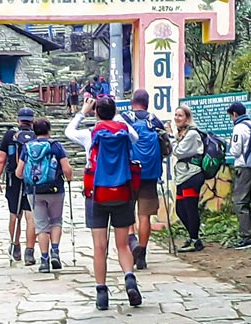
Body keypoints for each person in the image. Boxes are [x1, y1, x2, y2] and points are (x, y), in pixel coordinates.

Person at [65, 96, 142, 310]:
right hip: (123, 193)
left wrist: (83, 112)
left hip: (96, 195)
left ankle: (101, 293)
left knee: (100, 247)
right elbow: (134, 136)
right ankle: (129, 278)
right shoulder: (124, 133)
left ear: (96, 112)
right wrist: (116, 115)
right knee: (123, 244)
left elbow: (68, 132)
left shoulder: (90, 135)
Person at [15, 118, 74, 272]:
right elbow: (66, 169)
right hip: (55, 189)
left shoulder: (27, 148)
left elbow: (19, 173)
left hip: (34, 192)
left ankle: (44, 260)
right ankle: (55, 251)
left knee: (41, 226)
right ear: (49, 130)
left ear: (34, 131)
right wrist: (69, 178)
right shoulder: (56, 146)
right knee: (56, 221)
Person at [122, 89, 166, 270]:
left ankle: (132, 241)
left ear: (133, 101)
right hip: (150, 174)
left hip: (130, 172)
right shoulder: (155, 120)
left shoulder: (125, 118)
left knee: (127, 211)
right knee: (145, 216)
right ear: (147, 103)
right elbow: (165, 145)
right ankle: (143, 252)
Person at [0, 107, 37, 265]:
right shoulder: (37, 135)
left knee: (14, 215)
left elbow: (1, 160)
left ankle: (15, 245)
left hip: (13, 179)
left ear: (18, 120)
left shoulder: (10, 136)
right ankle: (29, 252)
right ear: (32, 121)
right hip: (32, 179)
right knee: (31, 216)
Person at [227, 101, 251, 249]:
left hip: (244, 167)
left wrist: (228, 144)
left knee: (239, 202)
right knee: (245, 201)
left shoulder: (239, 127)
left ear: (234, 114)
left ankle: (248, 237)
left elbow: (235, 151)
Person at [171, 104, 205, 252]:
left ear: (188, 118)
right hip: (183, 176)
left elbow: (178, 151)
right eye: (176, 115)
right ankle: (193, 236)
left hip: (192, 174)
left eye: (180, 115)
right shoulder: (182, 133)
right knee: (180, 209)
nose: (177, 118)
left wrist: (170, 136)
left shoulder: (191, 134)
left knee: (190, 208)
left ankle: (195, 239)